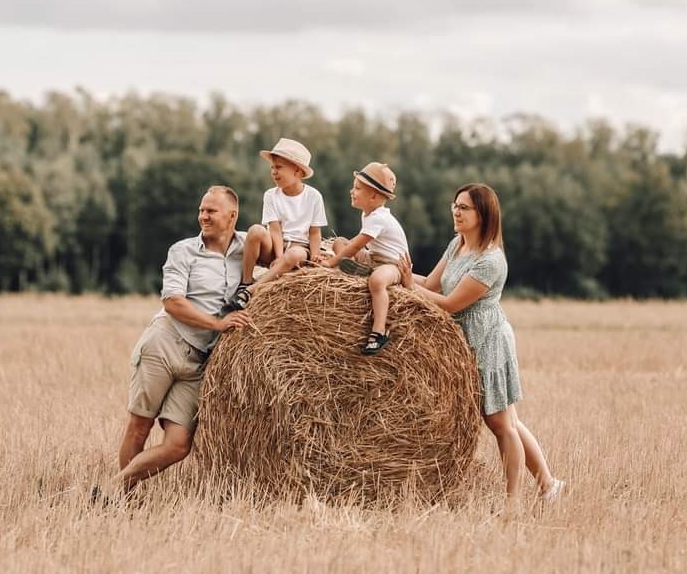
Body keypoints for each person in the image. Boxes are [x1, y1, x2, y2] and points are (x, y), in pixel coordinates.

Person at [398, 183, 564, 506]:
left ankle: (513, 502)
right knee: (509, 421)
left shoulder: (491, 261)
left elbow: (448, 304)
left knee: (500, 423)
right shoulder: (457, 245)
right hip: (465, 344)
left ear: (483, 214)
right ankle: (548, 484)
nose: (456, 212)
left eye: (464, 208)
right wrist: (398, 274)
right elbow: (430, 285)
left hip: (488, 342)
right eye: (455, 205)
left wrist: (408, 286)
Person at [97, 185, 251, 500]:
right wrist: (217, 324)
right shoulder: (183, 250)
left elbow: (288, 250)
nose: (203, 216)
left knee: (179, 445)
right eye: (201, 210)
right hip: (165, 343)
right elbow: (173, 302)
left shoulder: (249, 247)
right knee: (140, 425)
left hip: (200, 362)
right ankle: (123, 500)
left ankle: (110, 488)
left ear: (232, 215)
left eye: (211, 211)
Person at [228, 138, 327, 310]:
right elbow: (275, 230)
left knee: (295, 254)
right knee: (255, 230)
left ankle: (253, 290)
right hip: (276, 246)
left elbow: (314, 232)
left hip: (300, 249)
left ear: (297, 171)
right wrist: (279, 256)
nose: (274, 172)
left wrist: (315, 256)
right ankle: (245, 281)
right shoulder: (270, 195)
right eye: (272, 168)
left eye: (279, 167)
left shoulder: (314, 197)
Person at [322, 162, 409, 355]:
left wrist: (330, 262)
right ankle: (361, 271)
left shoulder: (379, 217)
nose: (352, 191)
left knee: (377, 281)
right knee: (340, 242)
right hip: (374, 258)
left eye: (357, 188)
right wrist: (335, 252)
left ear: (374, 196)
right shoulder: (368, 213)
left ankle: (378, 332)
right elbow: (354, 242)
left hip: (393, 265)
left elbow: (357, 245)